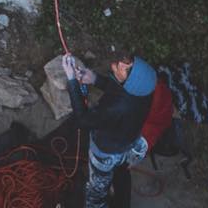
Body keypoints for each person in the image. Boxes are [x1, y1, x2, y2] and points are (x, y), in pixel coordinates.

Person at [62, 50, 157, 208]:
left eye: (122, 68)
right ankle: (122, 201)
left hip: (105, 153)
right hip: (128, 145)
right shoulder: (144, 90)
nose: (116, 65)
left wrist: (72, 81)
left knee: (96, 191)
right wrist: (94, 79)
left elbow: (83, 120)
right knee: (121, 172)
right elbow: (116, 86)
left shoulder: (117, 106)